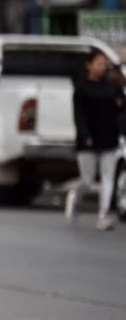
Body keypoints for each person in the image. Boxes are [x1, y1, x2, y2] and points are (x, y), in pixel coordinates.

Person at [65, 48, 126, 230]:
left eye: (104, 63)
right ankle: (75, 197)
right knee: (88, 179)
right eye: (99, 63)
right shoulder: (81, 88)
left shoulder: (113, 87)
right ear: (89, 65)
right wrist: (84, 135)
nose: (102, 67)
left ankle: (103, 216)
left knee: (108, 177)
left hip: (109, 137)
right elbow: (79, 115)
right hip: (88, 139)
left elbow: (122, 108)